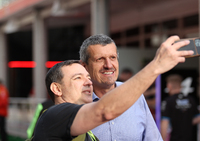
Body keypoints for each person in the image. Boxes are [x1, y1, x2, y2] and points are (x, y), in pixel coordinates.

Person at [32, 35, 192, 141]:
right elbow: (105, 111)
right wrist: (156, 65)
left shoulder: (134, 95)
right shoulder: (54, 116)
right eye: (78, 77)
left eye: (113, 58)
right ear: (57, 89)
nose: (87, 82)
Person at [80, 34, 163, 140]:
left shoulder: (134, 94)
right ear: (84, 66)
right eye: (100, 59)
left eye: (112, 58)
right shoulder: (75, 101)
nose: (109, 65)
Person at [161, 74, 200, 141]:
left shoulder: (168, 101)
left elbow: (165, 123)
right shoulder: (191, 99)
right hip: (189, 138)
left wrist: (162, 139)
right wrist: (187, 121)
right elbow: (198, 118)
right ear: (181, 86)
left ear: (169, 86)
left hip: (174, 138)